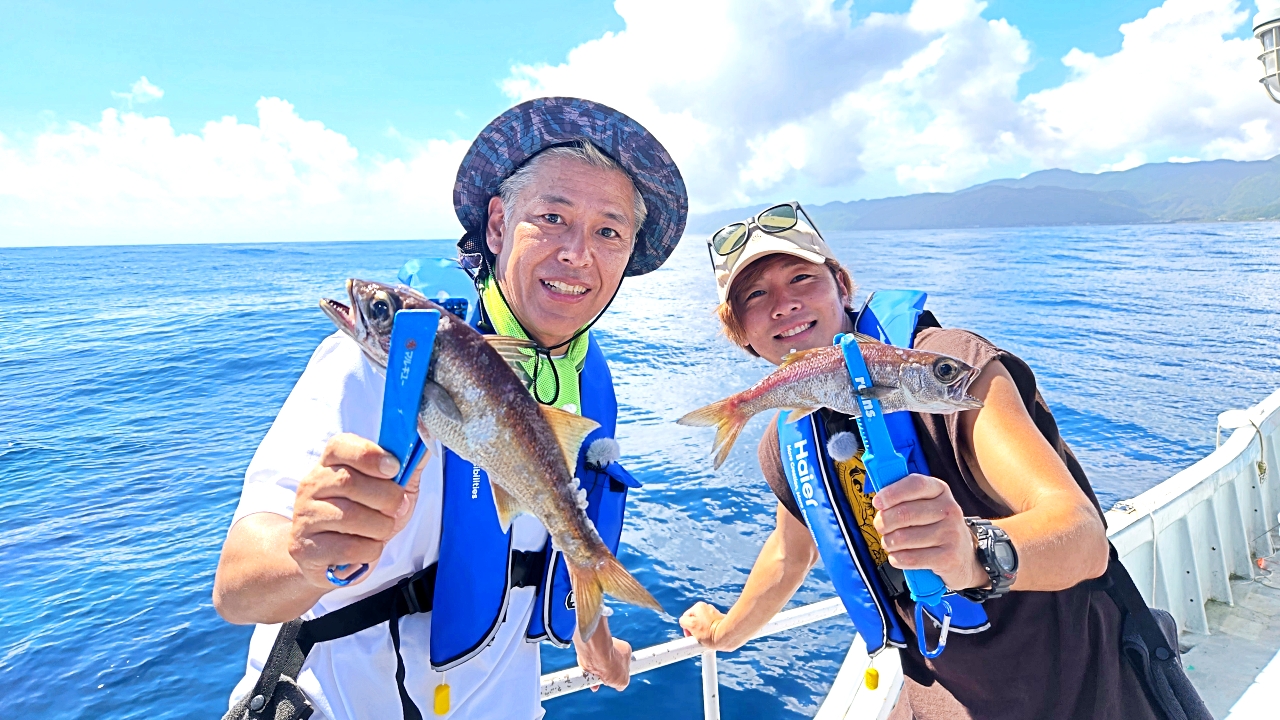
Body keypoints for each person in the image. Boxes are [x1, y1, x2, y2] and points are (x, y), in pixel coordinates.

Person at [213, 97, 687, 720]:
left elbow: (557, 530)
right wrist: (305, 551)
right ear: (496, 225)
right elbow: (237, 588)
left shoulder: (584, 380)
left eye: (608, 231)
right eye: (552, 216)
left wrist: (590, 627)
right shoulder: (380, 364)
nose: (578, 253)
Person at [677, 202, 1163, 720]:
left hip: (1076, 690)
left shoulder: (950, 368)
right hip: (939, 693)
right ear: (740, 333)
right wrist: (723, 634)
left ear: (842, 284)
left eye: (801, 276)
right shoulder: (786, 439)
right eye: (755, 294)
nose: (784, 304)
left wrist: (970, 552)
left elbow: (1083, 539)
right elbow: (789, 553)